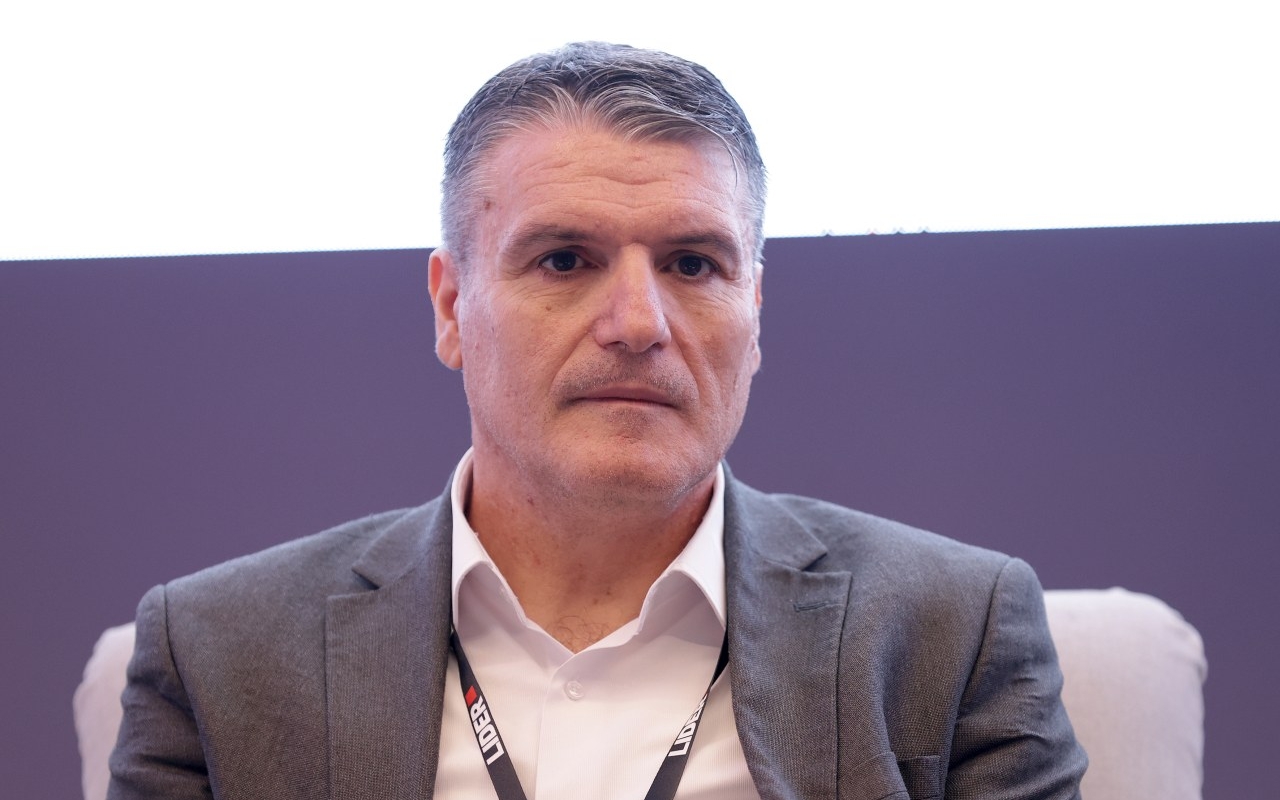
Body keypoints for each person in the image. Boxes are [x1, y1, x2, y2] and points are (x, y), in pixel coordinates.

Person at [108, 42, 1087, 800]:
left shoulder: (949, 630)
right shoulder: (220, 651)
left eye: (693, 264)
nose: (637, 324)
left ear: (754, 312)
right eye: (564, 260)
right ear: (450, 308)